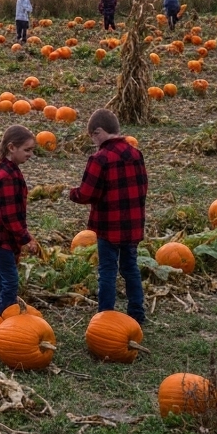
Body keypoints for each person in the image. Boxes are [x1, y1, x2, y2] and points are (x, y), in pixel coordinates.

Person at [69, 109, 149, 326]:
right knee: (130, 267)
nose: (94, 143)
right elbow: (143, 187)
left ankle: (105, 316)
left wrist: (70, 193)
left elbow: (87, 193)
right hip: (132, 225)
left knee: (107, 270)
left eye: (93, 138)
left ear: (99, 132)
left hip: (109, 226)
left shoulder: (100, 159)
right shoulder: (136, 154)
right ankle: (137, 313)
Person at [0, 124, 41, 314]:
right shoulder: (7, 176)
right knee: (10, 281)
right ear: (12, 148)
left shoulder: (0, 167)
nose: (30, 154)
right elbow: (10, 216)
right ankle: (6, 321)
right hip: (0, 237)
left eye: (32, 150)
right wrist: (25, 238)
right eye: (27, 150)